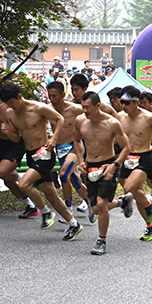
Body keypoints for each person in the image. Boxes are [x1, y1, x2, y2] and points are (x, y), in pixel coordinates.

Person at [0, 83, 83, 241]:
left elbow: (59, 118)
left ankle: (45, 212)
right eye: (7, 104)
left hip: (45, 153)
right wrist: (7, 133)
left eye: (11, 102)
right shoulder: (10, 114)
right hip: (31, 155)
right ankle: (74, 224)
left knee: (23, 184)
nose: (11, 106)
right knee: (51, 195)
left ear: (19, 97)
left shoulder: (38, 107)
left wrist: (54, 138)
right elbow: (16, 138)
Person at [73, 91, 132, 255]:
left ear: (97, 106)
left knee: (100, 204)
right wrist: (81, 160)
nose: (85, 111)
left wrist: (115, 165)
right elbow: (76, 140)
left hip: (108, 165)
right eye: (82, 107)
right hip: (90, 165)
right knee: (98, 208)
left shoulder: (112, 123)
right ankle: (122, 203)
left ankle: (101, 240)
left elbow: (126, 147)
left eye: (87, 107)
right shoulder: (79, 121)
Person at [112, 86, 152, 241]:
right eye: (122, 102)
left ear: (136, 102)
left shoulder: (149, 117)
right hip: (126, 158)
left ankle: (149, 203)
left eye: (127, 103)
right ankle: (150, 227)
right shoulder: (119, 117)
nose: (123, 106)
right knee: (136, 194)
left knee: (128, 188)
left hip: (143, 157)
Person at [0, 75, 38, 218]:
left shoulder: (8, 106)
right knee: (7, 180)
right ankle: (30, 206)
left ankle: (25, 180)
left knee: (2, 172)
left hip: (17, 142)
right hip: (2, 143)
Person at [46, 81, 95, 224]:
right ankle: (90, 202)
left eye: (55, 96)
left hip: (74, 146)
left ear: (62, 95)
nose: (52, 99)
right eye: (49, 96)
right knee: (74, 180)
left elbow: (94, 115)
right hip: (60, 150)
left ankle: (67, 211)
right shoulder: (48, 110)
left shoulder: (74, 109)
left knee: (63, 174)